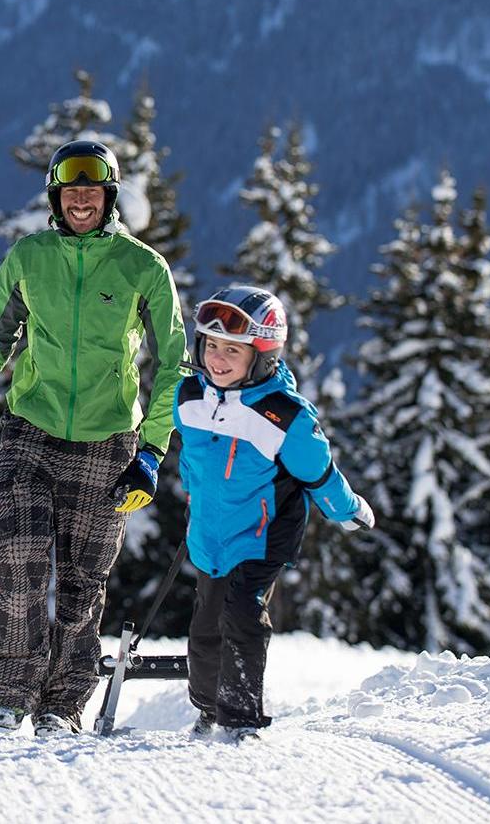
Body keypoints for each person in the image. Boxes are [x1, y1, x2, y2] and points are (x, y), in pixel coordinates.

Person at [0, 139, 187, 737]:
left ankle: (63, 704)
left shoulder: (142, 267)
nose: (81, 200)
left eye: (92, 191)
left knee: (82, 581)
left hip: (108, 440)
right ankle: (10, 693)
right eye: (70, 191)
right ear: (55, 197)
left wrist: (151, 451)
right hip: (32, 428)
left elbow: (174, 363)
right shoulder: (28, 257)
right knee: (19, 560)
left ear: (109, 197)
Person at [169, 284, 374, 743]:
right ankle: (207, 707)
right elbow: (190, 459)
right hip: (210, 531)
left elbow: (319, 473)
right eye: (212, 346)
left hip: (264, 531)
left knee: (241, 612)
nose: (218, 359)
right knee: (205, 625)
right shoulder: (187, 398)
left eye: (234, 351)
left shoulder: (285, 417)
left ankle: (240, 718)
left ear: (261, 356)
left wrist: (347, 510)